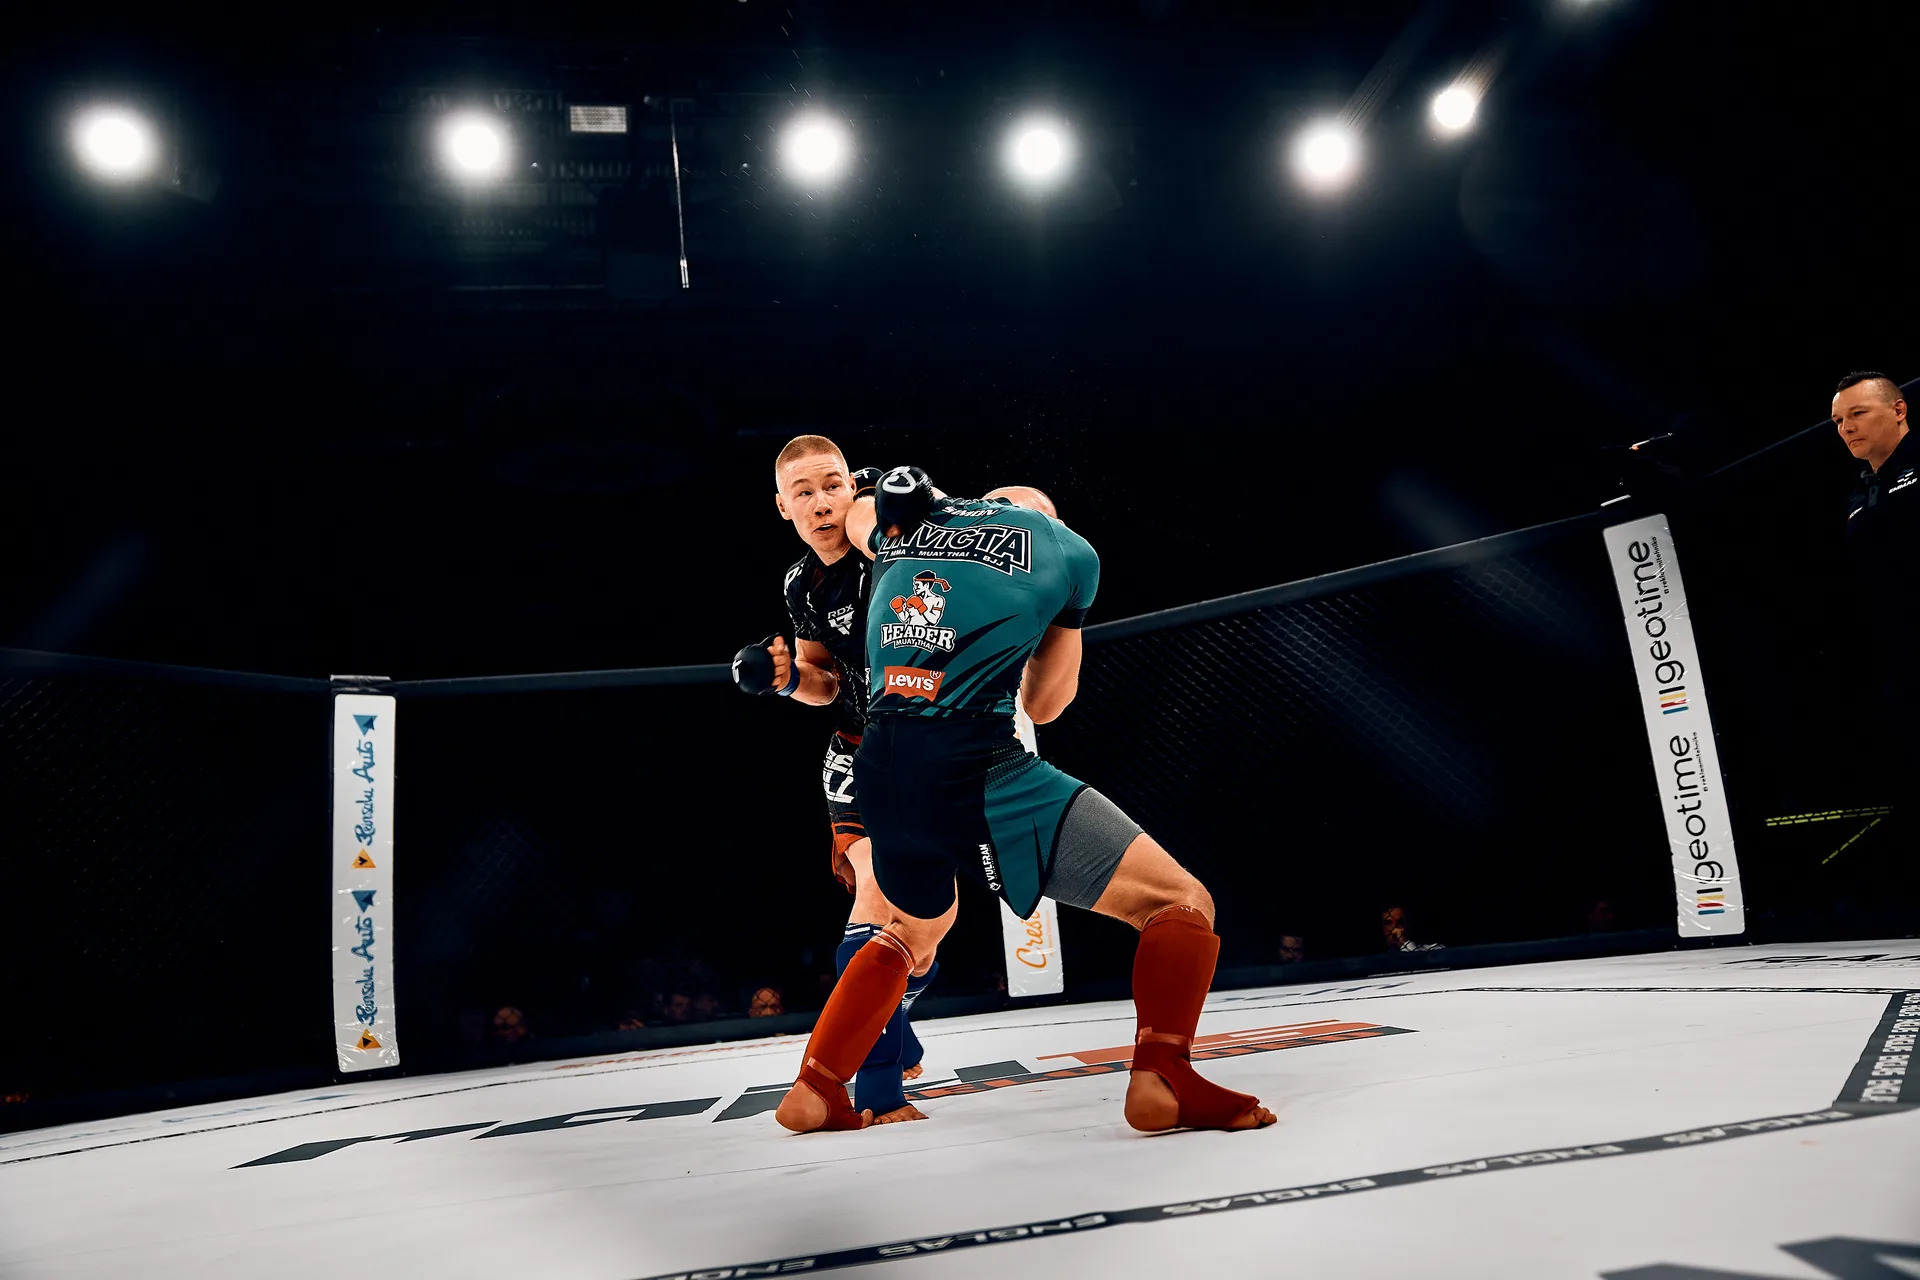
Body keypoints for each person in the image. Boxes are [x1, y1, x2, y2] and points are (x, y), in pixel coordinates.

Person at [774, 469, 1275, 1135]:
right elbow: (1043, 705)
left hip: (882, 769)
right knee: (1178, 900)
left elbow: (858, 518)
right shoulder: (1069, 553)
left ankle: (816, 1086)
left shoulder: (907, 527)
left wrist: (873, 491)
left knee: (913, 932)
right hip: (975, 761)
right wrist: (1054, 608)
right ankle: (1163, 1077)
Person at [729, 435, 938, 1123]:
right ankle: (877, 1090)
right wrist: (789, 680)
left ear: (854, 486)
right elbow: (825, 679)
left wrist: (879, 508)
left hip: (935, 748)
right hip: (856, 749)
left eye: (832, 486)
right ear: (782, 507)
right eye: (805, 493)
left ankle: (888, 1024)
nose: (821, 504)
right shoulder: (800, 583)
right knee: (874, 900)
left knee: (925, 933)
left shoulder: (891, 545)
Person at [1831, 371, 1916, 856]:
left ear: (1898, 410)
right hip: (1902, 661)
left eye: (1858, 413)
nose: (1847, 428)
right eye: (1839, 421)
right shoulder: (1861, 492)